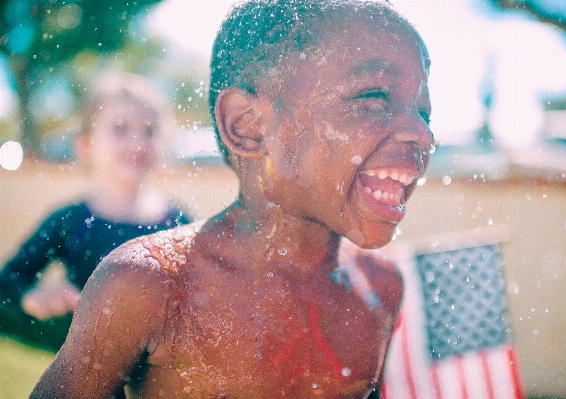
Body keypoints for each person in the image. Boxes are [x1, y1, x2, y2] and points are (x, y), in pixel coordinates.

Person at [31, 0, 436, 397]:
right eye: (375, 96)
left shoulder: (380, 289)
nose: (423, 134)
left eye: (424, 112)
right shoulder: (152, 286)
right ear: (248, 125)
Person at [0, 71, 191, 351]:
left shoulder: (177, 224)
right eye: (120, 128)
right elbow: (7, 281)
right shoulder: (71, 221)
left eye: (148, 131)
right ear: (86, 145)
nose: (137, 142)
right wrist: (31, 297)